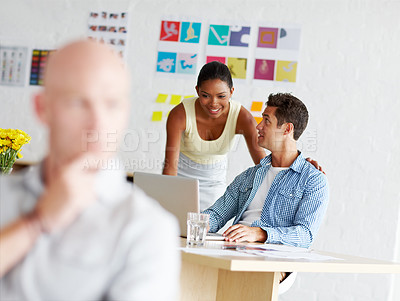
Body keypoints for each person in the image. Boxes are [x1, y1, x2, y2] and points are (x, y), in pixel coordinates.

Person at [0, 40, 180, 301]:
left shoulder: (146, 229)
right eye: (78, 102)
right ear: (42, 109)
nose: (98, 123)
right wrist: (36, 223)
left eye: (112, 104)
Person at [203, 92, 329, 247]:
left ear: (287, 129)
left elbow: (305, 235)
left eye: (267, 120)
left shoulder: (312, 180)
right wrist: (197, 223)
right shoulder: (250, 175)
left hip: (271, 258)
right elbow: (217, 214)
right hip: (234, 249)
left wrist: (260, 233)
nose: (258, 126)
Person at [163, 61, 266, 209]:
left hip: (214, 183)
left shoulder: (242, 118)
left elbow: (262, 164)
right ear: (197, 90)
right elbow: (170, 166)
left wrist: (297, 168)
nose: (213, 103)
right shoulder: (180, 114)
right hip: (180, 179)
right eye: (206, 95)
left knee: (208, 227)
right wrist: (166, 200)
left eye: (221, 96)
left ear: (231, 92)